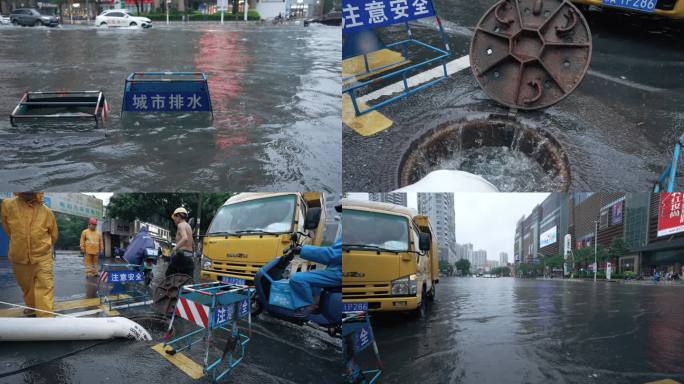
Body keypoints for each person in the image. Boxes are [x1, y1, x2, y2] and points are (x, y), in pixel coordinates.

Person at [1, 193, 58, 317]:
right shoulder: (7, 205)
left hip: (43, 256)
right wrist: (20, 241)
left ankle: (46, 320)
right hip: (19, 256)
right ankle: (32, 306)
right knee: (26, 286)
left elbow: (53, 235)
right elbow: (7, 228)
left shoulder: (47, 212)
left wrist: (43, 246)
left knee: (45, 287)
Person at [289, 223, 342, 317]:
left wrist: (302, 250)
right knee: (310, 276)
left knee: (297, 278)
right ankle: (316, 302)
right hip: (337, 269)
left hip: (338, 273)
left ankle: (307, 305)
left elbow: (331, 255)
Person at [166, 207, 195, 277]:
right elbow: (193, 243)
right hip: (189, 257)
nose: (174, 220)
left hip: (181, 257)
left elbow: (185, 238)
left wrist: (174, 248)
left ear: (178, 216)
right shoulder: (188, 226)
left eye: (175, 218)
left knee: (168, 275)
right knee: (187, 280)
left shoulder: (180, 225)